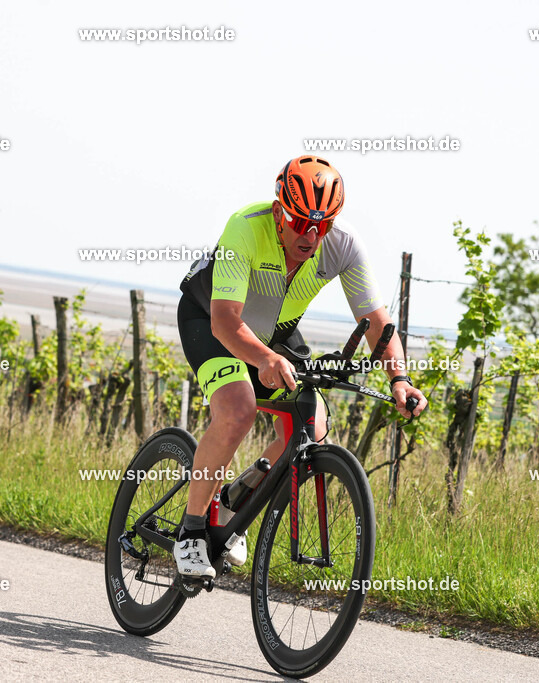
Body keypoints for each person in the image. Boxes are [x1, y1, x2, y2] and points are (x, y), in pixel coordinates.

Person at [174, 155, 427, 578]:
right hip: (211, 320)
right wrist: (264, 359)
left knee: (313, 427)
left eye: (322, 226)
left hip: (276, 334)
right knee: (238, 409)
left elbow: (376, 322)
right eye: (301, 223)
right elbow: (225, 322)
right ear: (279, 211)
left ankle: (235, 500)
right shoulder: (245, 227)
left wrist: (399, 379)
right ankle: (192, 530)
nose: (311, 235)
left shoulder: (344, 244)